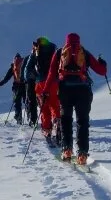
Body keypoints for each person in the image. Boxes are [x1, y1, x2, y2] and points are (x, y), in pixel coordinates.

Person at [43, 33, 107, 165]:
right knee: (82, 122)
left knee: (66, 120)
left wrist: (45, 91)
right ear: (79, 41)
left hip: (65, 91)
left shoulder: (60, 52)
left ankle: (67, 150)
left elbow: (51, 73)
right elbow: (101, 71)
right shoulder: (84, 52)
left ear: (66, 41)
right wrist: (103, 63)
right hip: (83, 91)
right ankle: (82, 154)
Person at [23, 37, 56, 126]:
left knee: (44, 107)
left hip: (40, 82)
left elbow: (27, 70)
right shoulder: (54, 50)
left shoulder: (35, 52)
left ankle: (46, 128)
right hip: (54, 82)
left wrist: (28, 80)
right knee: (55, 103)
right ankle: (57, 121)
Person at [0, 53, 26, 125]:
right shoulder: (24, 64)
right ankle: (32, 119)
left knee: (17, 103)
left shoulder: (13, 67)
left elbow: (6, 78)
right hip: (25, 86)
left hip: (16, 87)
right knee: (27, 102)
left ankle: (19, 119)